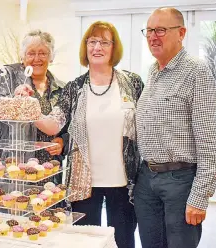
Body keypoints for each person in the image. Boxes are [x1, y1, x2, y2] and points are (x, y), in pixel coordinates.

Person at [16, 21, 143, 248]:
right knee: (84, 242)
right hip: (84, 184)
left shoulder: (132, 83)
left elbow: (146, 125)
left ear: (114, 48)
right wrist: (29, 105)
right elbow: (53, 125)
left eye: (104, 42)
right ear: (85, 47)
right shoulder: (75, 87)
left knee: (124, 241)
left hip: (125, 183)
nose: (97, 47)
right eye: (92, 42)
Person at [134, 7, 216, 248]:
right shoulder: (153, 72)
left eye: (161, 30)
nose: (153, 36)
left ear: (181, 33)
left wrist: (199, 197)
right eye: (149, 30)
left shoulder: (197, 73)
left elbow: (212, 145)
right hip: (147, 181)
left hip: (180, 182)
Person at [0, 30, 68, 178]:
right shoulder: (8, 75)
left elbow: (67, 127)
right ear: (22, 56)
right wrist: (14, 98)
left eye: (43, 53)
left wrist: (62, 142)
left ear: (51, 57)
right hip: (14, 165)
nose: (37, 58)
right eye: (31, 53)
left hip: (47, 168)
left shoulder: (62, 89)